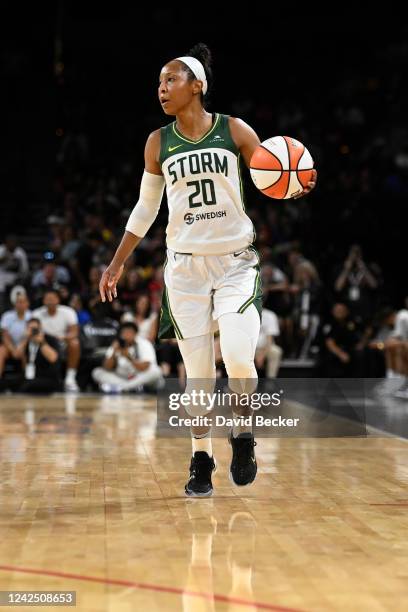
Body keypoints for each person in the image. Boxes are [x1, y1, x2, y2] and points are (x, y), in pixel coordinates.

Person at [98, 43, 316, 497]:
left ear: (198, 85)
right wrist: (116, 263)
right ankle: (201, 459)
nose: (162, 88)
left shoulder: (233, 130)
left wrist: (292, 184)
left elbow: (271, 172)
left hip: (236, 263)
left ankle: (243, 435)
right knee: (197, 376)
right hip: (185, 271)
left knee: (238, 355)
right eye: (159, 82)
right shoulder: (158, 142)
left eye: (171, 79)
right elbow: (145, 209)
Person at [92, 321, 163, 393]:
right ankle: (130, 387)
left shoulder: (144, 344)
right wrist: (113, 353)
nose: (126, 335)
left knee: (156, 371)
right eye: (124, 333)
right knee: (97, 372)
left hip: (139, 376)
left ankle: (124, 387)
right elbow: (107, 367)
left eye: (129, 332)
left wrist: (129, 357)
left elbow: (145, 366)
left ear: (135, 334)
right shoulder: (117, 345)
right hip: (122, 377)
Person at [33, 289, 80, 391]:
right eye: (47, 299)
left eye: (52, 299)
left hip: (62, 341)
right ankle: (30, 376)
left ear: (58, 300)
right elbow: (34, 332)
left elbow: (74, 332)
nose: (50, 301)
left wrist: (63, 337)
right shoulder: (36, 313)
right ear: (43, 301)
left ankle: (70, 378)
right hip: (43, 343)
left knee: (75, 343)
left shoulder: (68, 312)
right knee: (33, 343)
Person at [0, 318, 61, 394]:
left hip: (46, 377)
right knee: (6, 383)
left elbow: (53, 358)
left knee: (27, 386)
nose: (33, 331)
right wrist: (25, 339)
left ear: (40, 328)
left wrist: (42, 343)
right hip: (28, 376)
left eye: (35, 329)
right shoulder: (26, 341)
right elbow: (16, 355)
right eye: (30, 328)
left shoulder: (49, 339)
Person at [0, 289, 32, 378]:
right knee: (1, 351)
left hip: (25, 345)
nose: (20, 304)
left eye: (22, 302)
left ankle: (27, 380)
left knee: (29, 352)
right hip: (9, 346)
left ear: (27, 304)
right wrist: (13, 349)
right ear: (14, 304)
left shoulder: (32, 316)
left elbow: (29, 335)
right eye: (18, 302)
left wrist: (21, 347)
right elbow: (5, 335)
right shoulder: (7, 316)